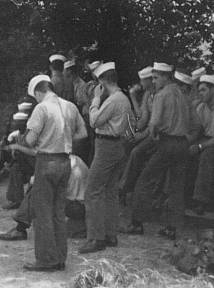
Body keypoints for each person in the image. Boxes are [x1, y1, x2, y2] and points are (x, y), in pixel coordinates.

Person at [20, 74, 87, 272]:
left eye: (35, 96)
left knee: (43, 213)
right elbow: (83, 133)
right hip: (65, 161)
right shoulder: (70, 106)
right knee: (58, 211)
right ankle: (60, 258)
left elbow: (30, 140)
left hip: (46, 160)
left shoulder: (41, 108)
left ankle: (46, 259)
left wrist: (33, 140)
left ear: (38, 92)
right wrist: (64, 139)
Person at [126, 62, 191, 240]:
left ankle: (137, 223)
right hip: (183, 143)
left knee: (144, 181)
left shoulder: (162, 95)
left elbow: (153, 124)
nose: (153, 81)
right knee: (177, 187)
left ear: (165, 76)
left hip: (167, 142)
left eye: (155, 78)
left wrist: (155, 136)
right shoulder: (183, 95)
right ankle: (172, 228)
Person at [78, 62, 131, 254]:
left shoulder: (112, 100)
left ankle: (95, 237)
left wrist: (95, 100)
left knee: (92, 191)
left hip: (106, 145)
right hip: (117, 145)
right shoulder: (124, 98)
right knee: (110, 192)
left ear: (102, 82)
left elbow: (94, 121)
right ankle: (110, 234)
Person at [0, 153, 88, 241]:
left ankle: (20, 228)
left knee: (38, 191)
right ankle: (23, 223)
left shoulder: (62, 166)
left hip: (77, 206)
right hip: (78, 203)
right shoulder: (73, 159)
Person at [119, 66, 157, 197]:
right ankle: (121, 182)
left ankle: (123, 187)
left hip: (157, 135)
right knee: (125, 143)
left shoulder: (159, 95)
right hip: (149, 132)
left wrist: (140, 136)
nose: (140, 84)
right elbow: (142, 119)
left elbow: (155, 124)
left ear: (150, 80)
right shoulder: (148, 95)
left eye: (142, 80)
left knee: (136, 151)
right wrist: (133, 97)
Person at [189, 75, 214, 215]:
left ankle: (201, 201)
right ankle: (180, 196)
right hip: (206, 139)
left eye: (204, 90)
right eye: (199, 91)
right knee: (183, 151)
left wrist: (199, 147)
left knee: (206, 155)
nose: (200, 94)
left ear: (213, 90)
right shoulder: (201, 107)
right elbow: (196, 129)